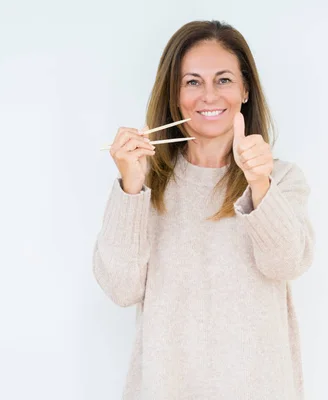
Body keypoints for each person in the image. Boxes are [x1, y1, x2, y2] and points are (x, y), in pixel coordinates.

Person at [92, 20, 315, 399]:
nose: (209, 95)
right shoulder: (148, 182)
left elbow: (287, 264)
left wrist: (259, 182)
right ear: (175, 94)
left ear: (245, 89)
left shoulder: (282, 179)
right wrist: (131, 187)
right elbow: (120, 288)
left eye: (224, 80)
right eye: (192, 81)